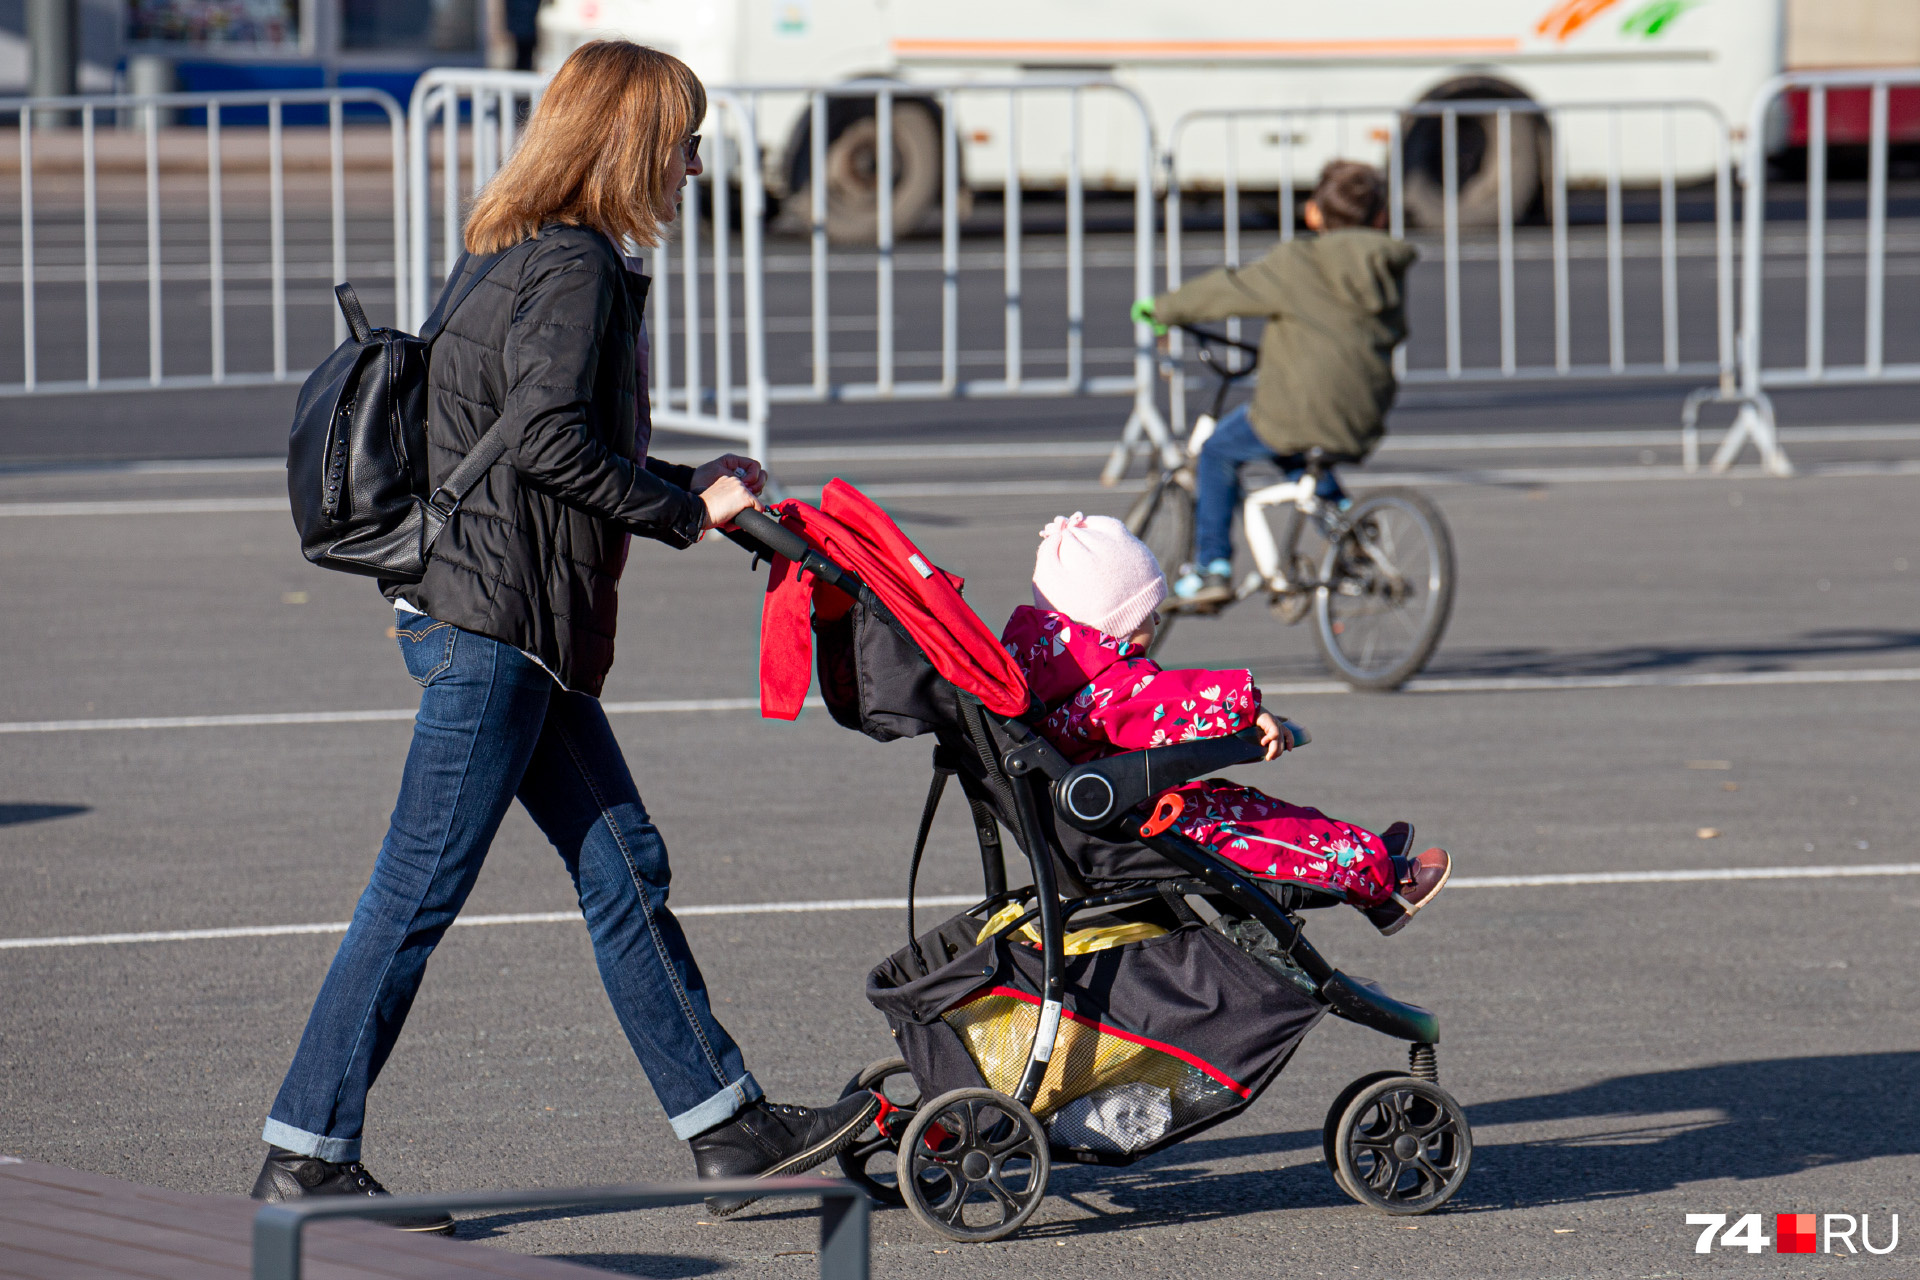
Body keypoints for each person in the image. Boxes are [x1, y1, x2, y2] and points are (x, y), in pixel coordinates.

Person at [250, 41, 878, 1232]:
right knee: (416, 890)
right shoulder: (577, 263)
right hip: (497, 628)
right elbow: (547, 444)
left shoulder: (509, 243)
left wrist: (688, 478)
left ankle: (729, 1129)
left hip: (497, 616)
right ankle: (306, 1150)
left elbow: (534, 435)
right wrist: (687, 510)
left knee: (622, 863)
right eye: (684, 140)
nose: (695, 164)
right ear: (633, 140)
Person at [1001, 513, 1451, 931]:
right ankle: (1383, 884)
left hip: (1116, 802)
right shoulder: (1114, 687)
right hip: (1130, 821)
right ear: (1112, 621)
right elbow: (1177, 703)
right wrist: (1249, 711)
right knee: (1262, 829)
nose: (1156, 617)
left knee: (1245, 807)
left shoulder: (1052, 669)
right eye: (1145, 611)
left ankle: (1362, 848)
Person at [1132, 161, 1418, 606]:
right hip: (1364, 412)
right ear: (1380, 218)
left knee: (1218, 452)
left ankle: (1212, 568)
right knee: (1294, 447)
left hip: (1299, 408)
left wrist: (1163, 309)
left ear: (1314, 215)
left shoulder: (1300, 263)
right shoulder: (1387, 270)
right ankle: (1346, 521)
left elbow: (1229, 289)